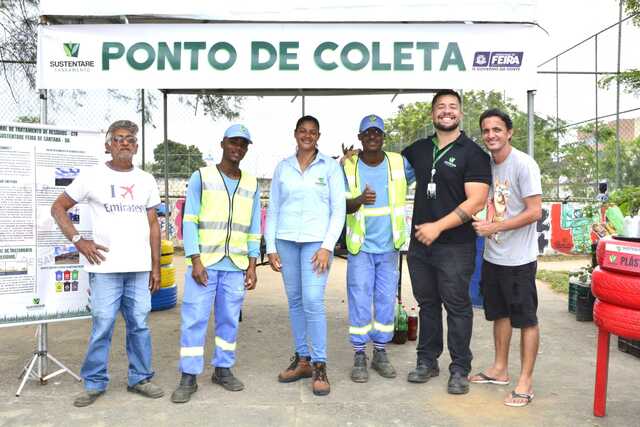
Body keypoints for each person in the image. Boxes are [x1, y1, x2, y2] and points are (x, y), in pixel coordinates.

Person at [51, 120, 164, 407]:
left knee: (140, 325)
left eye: (130, 139)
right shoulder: (91, 176)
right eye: (118, 139)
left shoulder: (146, 180)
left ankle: (140, 378)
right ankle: (94, 383)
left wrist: (155, 267)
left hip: (138, 269)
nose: (124, 143)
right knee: (103, 325)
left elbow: (153, 225)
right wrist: (78, 240)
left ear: (136, 147)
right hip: (104, 269)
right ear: (108, 145)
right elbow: (58, 207)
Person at [401, 89, 491, 394]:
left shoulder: (473, 153)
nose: (447, 111)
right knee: (427, 304)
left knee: (457, 306)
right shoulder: (418, 150)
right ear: (432, 114)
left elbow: (477, 200)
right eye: (441, 107)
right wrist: (352, 161)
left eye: (453, 107)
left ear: (461, 114)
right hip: (420, 246)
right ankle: (427, 361)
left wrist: (438, 226)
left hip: (455, 246)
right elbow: (388, 170)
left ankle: (459, 368)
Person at [171, 124, 261, 403]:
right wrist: (194, 259)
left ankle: (223, 369)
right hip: (205, 264)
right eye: (234, 142)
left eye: (243, 144)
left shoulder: (251, 183)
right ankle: (189, 376)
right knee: (194, 319)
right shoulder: (202, 176)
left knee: (229, 321)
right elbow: (190, 220)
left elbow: (254, 227)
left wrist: (252, 265)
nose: (238, 148)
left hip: (235, 264)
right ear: (222, 144)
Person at [266, 115, 346, 396]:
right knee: (296, 301)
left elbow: (339, 210)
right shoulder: (283, 167)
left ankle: (320, 364)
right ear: (295, 134)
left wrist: (327, 246)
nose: (307, 135)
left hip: (316, 244)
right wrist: (270, 246)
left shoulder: (331, 168)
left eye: (312, 132)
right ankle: (303, 360)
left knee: (313, 300)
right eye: (303, 131)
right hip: (286, 241)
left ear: (318, 136)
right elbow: (273, 208)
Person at [470, 109, 542, 407]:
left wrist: (494, 226)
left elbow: (535, 211)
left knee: (526, 319)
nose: (491, 135)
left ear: (509, 132)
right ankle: (499, 369)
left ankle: (525, 381)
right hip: (494, 255)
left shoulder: (523, 164)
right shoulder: (487, 165)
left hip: (519, 260)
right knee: (499, 313)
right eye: (486, 130)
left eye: (497, 129)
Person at [343, 114, 415, 382]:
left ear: (383, 137)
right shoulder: (348, 166)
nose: (373, 137)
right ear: (359, 138)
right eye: (367, 133)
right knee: (360, 299)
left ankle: (380, 352)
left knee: (385, 300)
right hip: (360, 246)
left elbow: (423, 169)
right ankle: (360, 354)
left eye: (377, 132)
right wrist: (359, 200)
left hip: (388, 246)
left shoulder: (398, 163)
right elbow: (340, 205)